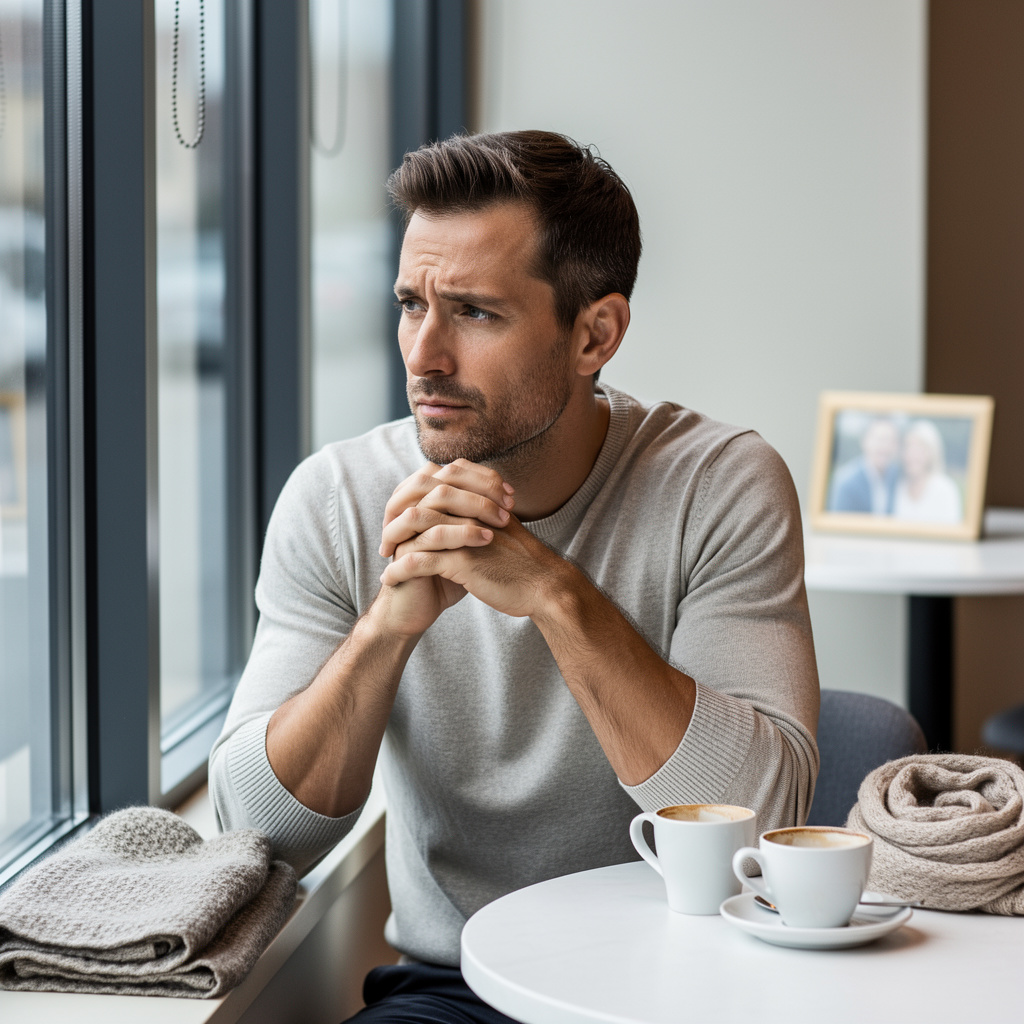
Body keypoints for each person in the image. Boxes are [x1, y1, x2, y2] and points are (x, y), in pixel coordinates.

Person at [209, 130, 819, 1023]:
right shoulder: (337, 497)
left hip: (692, 980)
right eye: (410, 305)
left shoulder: (719, 484)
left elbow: (757, 819)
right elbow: (258, 838)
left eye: (475, 313)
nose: (424, 354)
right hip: (453, 992)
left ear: (595, 334)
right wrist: (384, 629)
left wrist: (552, 593)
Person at [892, 419, 962, 524]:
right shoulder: (897, 486)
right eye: (908, 447)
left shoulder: (945, 489)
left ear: (932, 452)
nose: (912, 454)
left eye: (920, 448)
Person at [828, 416, 901, 515]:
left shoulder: (897, 476)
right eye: (880, 439)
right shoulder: (846, 482)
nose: (885, 446)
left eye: (891, 441)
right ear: (865, 441)